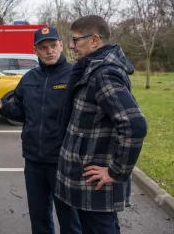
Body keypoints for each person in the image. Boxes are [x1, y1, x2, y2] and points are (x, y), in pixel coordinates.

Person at [0, 26, 81, 234]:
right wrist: (3, 107)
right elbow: (20, 112)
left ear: (61, 46)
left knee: (70, 219)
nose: (49, 51)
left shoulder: (75, 76)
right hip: (34, 161)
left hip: (64, 162)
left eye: (53, 45)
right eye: (43, 47)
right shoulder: (29, 79)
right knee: (39, 216)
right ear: (35, 51)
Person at [55, 15, 148, 234]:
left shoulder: (104, 74)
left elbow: (134, 124)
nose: (71, 45)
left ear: (95, 40)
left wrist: (116, 172)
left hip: (95, 183)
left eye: (76, 40)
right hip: (87, 182)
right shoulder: (92, 68)